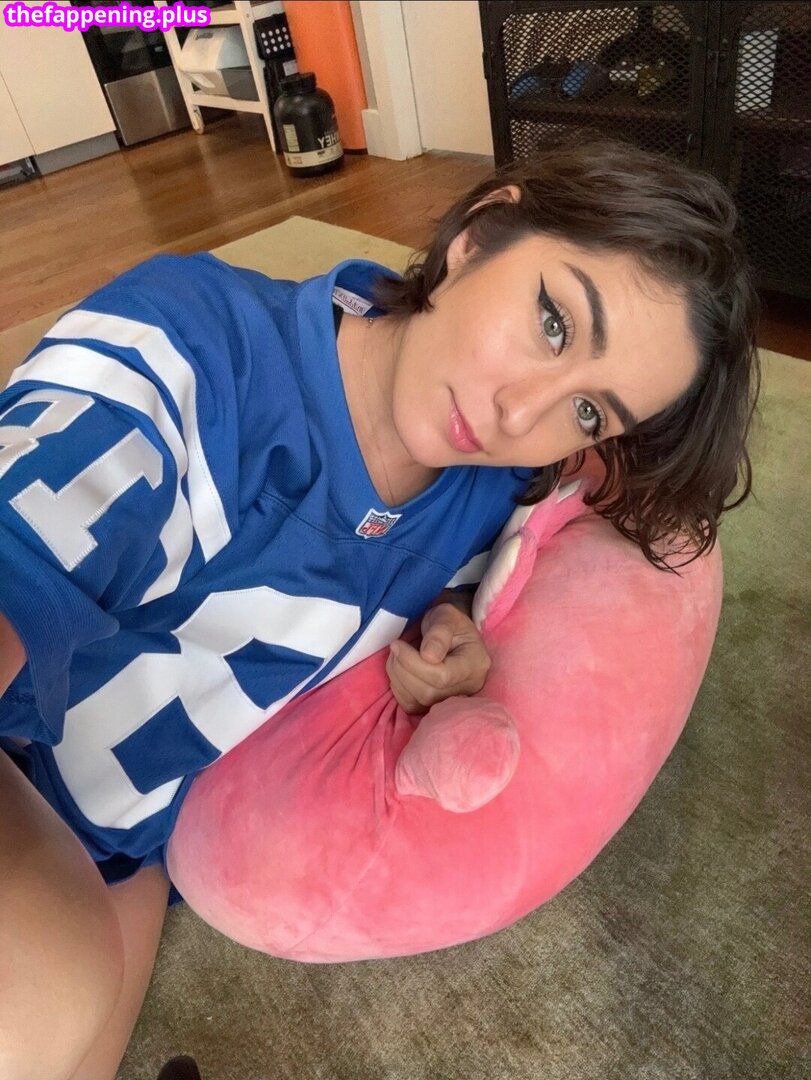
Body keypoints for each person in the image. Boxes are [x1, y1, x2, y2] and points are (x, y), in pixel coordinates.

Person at [0, 135, 759, 1079]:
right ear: (479, 235)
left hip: (129, 839)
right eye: (553, 323)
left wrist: (451, 626)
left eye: (587, 412)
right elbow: (28, 535)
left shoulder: (491, 489)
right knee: (45, 1002)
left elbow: (421, 572)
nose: (520, 414)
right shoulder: (188, 352)